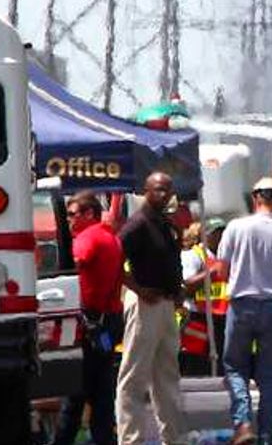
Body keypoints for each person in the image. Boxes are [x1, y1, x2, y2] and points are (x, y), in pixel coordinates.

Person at [217, 177, 272, 445]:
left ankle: (242, 423)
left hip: (241, 306)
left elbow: (221, 270)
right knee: (270, 375)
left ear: (255, 198)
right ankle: (268, 436)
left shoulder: (235, 227)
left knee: (235, 368)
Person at [117, 172, 188, 445]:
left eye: (168, 190)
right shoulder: (137, 224)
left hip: (166, 304)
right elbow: (114, 260)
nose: (164, 195)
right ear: (145, 190)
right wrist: (137, 289)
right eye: (159, 189)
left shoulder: (162, 224)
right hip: (146, 303)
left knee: (167, 375)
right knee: (134, 377)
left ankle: (173, 438)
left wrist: (178, 290)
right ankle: (130, 439)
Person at [53, 192, 124, 445]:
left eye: (73, 214)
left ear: (89, 214)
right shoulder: (110, 238)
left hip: (92, 322)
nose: (69, 220)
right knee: (101, 391)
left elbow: (74, 263)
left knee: (77, 392)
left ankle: (63, 440)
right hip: (109, 321)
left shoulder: (88, 238)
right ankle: (104, 438)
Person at [181, 217, 229, 375]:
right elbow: (187, 286)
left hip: (221, 318)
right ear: (205, 236)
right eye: (216, 233)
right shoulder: (194, 255)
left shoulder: (226, 256)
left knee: (220, 365)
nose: (220, 237)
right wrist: (212, 272)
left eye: (223, 233)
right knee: (196, 365)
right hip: (198, 318)